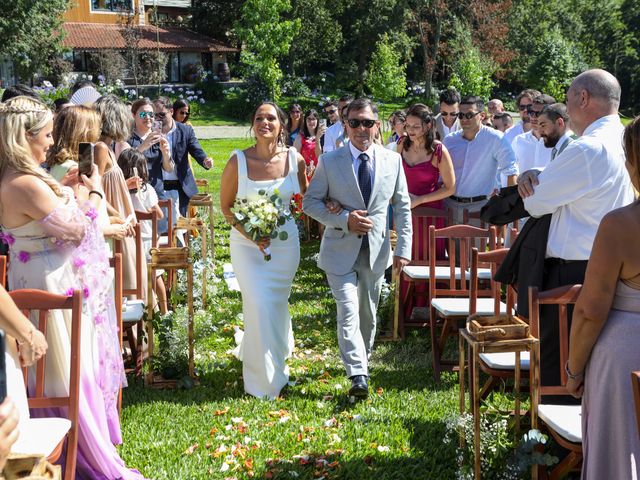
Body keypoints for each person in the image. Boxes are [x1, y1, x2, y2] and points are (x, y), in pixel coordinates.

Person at [0, 96, 145, 479]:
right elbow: (78, 229)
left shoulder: (18, 179)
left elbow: (54, 215)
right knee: (63, 374)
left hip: (37, 276)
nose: (51, 142)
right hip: (50, 286)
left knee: (57, 372)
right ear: (23, 137)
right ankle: (76, 456)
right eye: (46, 135)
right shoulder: (24, 183)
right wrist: (93, 189)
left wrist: (66, 190)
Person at [519, 69, 635, 395]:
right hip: (613, 267)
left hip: (573, 272)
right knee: (595, 359)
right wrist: (542, 171)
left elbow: (536, 203)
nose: (567, 110)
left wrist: (534, 180)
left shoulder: (587, 148)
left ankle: (552, 444)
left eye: (568, 100)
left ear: (583, 98)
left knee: (561, 366)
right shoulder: (624, 140)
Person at [303, 98, 412, 398]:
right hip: (339, 251)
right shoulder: (330, 161)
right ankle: (358, 373)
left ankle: (362, 361)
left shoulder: (392, 161)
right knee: (348, 310)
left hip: (376, 252)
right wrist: (342, 219)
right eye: (354, 123)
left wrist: (403, 248)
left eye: (367, 123)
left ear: (378, 126)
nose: (361, 129)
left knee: (368, 315)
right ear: (346, 125)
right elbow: (310, 202)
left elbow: (402, 207)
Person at [563, 116, 640, 480]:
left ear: (633, 162)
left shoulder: (620, 225)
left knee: (619, 452)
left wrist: (573, 370)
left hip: (625, 354)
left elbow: (591, 311)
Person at [220, 102, 307, 399]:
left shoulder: (295, 160)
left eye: (271, 118)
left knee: (276, 303)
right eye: (259, 118)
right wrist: (252, 233)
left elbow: (305, 199)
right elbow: (226, 208)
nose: (264, 122)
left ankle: (276, 347)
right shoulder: (237, 162)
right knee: (257, 302)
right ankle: (264, 383)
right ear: (253, 124)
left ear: (282, 124)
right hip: (246, 246)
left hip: (284, 246)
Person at [397, 103, 455, 317]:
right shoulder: (402, 145)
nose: (410, 131)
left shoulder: (439, 150)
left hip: (431, 214)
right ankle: (404, 310)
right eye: (407, 126)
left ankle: (430, 310)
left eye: (415, 126)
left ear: (428, 126)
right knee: (405, 256)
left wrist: (420, 200)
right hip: (406, 212)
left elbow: (450, 188)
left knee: (429, 258)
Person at [45, 105, 133, 244]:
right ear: (85, 132)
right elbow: (80, 221)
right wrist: (112, 229)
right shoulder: (75, 170)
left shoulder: (59, 165)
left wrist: (108, 218)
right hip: (88, 252)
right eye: (96, 128)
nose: (98, 134)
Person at [94, 94, 147, 301]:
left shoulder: (106, 147)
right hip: (113, 218)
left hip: (120, 215)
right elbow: (93, 188)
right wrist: (118, 214)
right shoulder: (99, 148)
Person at [443, 96, 517, 224]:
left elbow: (511, 171)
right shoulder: (450, 140)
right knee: (448, 245)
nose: (464, 119)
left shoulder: (495, 138)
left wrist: (508, 208)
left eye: (469, 115)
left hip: (479, 208)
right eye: (460, 115)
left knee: (476, 245)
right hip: (449, 205)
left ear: (482, 115)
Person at [118, 148, 168, 314]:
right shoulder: (147, 190)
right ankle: (164, 310)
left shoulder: (120, 192)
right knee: (157, 275)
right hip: (147, 241)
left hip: (129, 241)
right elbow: (159, 215)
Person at [151, 96, 213, 217]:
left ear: (171, 112)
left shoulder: (185, 130)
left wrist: (205, 161)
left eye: (162, 115)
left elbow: (196, 149)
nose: (157, 118)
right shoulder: (150, 131)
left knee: (182, 226)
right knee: (160, 226)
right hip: (157, 186)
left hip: (180, 186)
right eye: (155, 115)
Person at [128, 98, 174, 234]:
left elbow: (169, 168)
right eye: (143, 114)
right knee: (139, 237)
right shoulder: (127, 139)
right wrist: (143, 146)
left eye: (151, 114)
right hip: (134, 196)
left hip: (156, 194)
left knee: (158, 237)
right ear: (133, 115)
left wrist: (166, 154)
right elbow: (124, 163)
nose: (148, 118)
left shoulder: (159, 137)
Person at [511, 94, 555, 178]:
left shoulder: (558, 142)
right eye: (531, 112)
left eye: (539, 113)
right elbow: (510, 170)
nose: (533, 117)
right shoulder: (518, 140)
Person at [293, 109, 324, 179]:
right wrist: (305, 167)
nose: (311, 122)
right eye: (309, 119)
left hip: (320, 173)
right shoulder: (300, 137)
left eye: (313, 119)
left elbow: (320, 156)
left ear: (317, 120)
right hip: (305, 174)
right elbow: (295, 158)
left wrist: (317, 139)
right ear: (305, 121)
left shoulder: (324, 136)